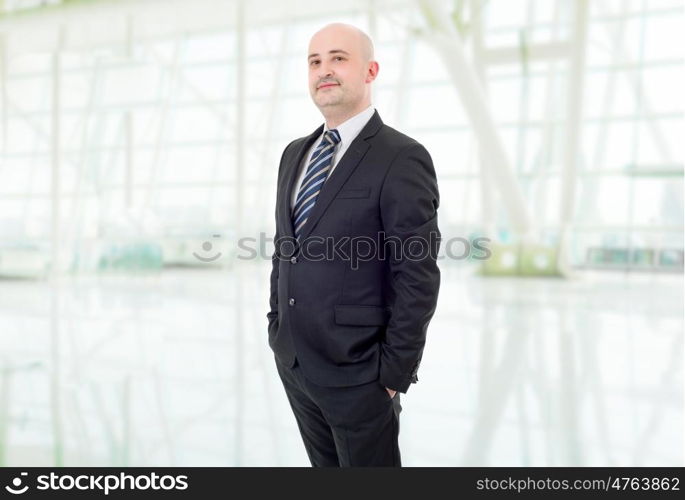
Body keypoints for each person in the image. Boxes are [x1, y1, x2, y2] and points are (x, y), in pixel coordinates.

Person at [266, 22, 441, 467]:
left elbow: (416, 274)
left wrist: (392, 375)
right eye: (315, 61)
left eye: (338, 58)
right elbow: (285, 249)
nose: (325, 70)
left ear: (370, 70)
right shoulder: (294, 154)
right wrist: (277, 326)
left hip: (360, 374)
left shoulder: (401, 156)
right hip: (297, 365)